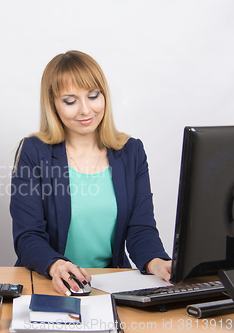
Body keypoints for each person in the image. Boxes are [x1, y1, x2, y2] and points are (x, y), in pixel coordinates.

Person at [10, 50, 171, 296]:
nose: (85, 110)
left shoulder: (131, 151)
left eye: (93, 96)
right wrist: (57, 266)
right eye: (70, 101)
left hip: (110, 283)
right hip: (50, 281)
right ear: (53, 104)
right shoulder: (33, 152)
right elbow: (28, 235)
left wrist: (157, 263)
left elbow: (141, 228)